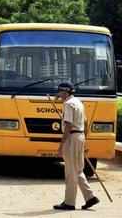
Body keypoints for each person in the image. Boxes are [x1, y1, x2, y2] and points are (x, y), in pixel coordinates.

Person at [53, 82, 99, 211]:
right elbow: (85, 121)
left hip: (72, 137)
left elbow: (67, 126)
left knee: (70, 172)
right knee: (78, 170)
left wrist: (61, 146)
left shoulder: (67, 104)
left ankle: (69, 203)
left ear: (65, 92)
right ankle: (90, 197)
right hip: (80, 136)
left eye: (60, 92)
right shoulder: (78, 102)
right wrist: (84, 140)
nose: (58, 94)